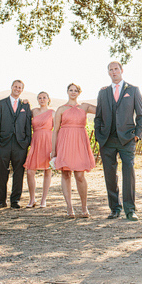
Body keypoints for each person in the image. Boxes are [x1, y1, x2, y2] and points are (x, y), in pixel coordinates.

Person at [94, 62, 142, 221]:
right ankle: (114, 208)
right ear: (108, 72)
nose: (114, 71)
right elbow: (98, 116)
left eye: (116, 69)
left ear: (121, 70)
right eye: (111, 69)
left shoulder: (133, 90)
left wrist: (137, 134)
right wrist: (98, 135)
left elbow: (141, 115)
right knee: (110, 174)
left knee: (128, 172)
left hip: (127, 139)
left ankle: (130, 210)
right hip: (107, 139)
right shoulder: (103, 92)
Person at [51, 83, 96, 218]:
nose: (73, 92)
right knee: (65, 174)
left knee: (80, 176)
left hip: (80, 143)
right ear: (67, 92)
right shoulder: (61, 109)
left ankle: (84, 207)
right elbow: (55, 131)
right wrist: (53, 150)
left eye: (75, 90)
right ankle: (69, 208)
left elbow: (103, 109)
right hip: (64, 143)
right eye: (71, 90)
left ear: (79, 92)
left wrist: (105, 91)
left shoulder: (84, 107)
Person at [0, 80, 33, 210]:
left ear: (22, 90)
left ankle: (15, 200)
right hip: (2, 143)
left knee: (19, 172)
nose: (17, 89)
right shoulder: (1, 103)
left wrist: (27, 141)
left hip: (20, 144)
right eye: (15, 86)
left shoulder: (25, 105)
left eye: (20, 87)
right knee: (2, 173)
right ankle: (1, 201)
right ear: (11, 87)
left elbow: (28, 125)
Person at [24, 92, 54, 208]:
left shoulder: (52, 112)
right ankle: (32, 199)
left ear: (48, 99)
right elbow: (23, 113)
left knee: (48, 170)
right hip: (36, 142)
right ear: (37, 100)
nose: (42, 99)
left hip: (48, 142)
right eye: (40, 98)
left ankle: (43, 200)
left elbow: (57, 129)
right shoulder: (34, 111)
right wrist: (25, 103)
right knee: (30, 171)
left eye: (44, 97)